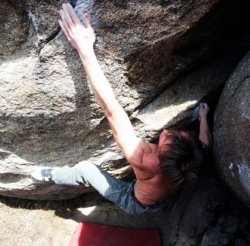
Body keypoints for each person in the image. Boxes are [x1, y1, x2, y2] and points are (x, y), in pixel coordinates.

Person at [32, 3, 211, 215]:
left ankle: (49, 174)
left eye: (164, 141)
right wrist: (203, 117)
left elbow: (111, 109)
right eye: (172, 133)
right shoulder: (191, 163)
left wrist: (85, 49)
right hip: (160, 197)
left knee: (85, 169)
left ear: (159, 157)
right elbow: (205, 144)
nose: (163, 132)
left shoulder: (142, 158)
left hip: (135, 202)